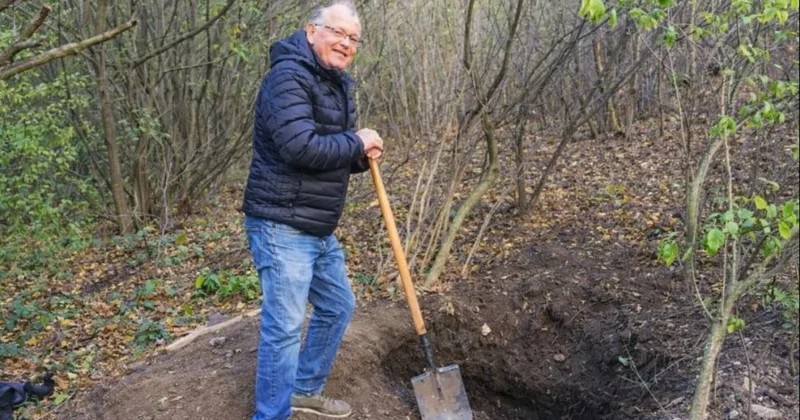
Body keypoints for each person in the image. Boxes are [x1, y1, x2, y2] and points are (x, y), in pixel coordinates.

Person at [241, 1, 383, 419]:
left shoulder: (337, 83)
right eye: (337, 32)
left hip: (315, 223)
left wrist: (360, 154)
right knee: (284, 329)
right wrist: (355, 142)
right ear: (311, 30)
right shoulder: (287, 77)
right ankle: (272, 415)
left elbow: (330, 150)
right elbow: (298, 146)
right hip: (280, 222)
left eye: (353, 38)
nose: (345, 43)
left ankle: (303, 390)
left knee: (338, 305)